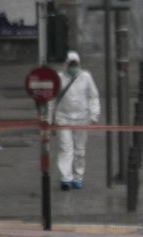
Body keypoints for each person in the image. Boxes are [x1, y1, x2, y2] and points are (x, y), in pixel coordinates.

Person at [53, 50, 100, 191]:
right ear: (66, 64)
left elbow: (93, 96)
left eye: (75, 64)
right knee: (65, 148)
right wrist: (49, 118)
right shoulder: (59, 78)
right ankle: (66, 178)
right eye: (70, 64)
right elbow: (51, 99)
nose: (73, 67)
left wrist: (94, 114)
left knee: (79, 150)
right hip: (63, 118)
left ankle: (78, 177)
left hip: (82, 118)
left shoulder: (86, 77)